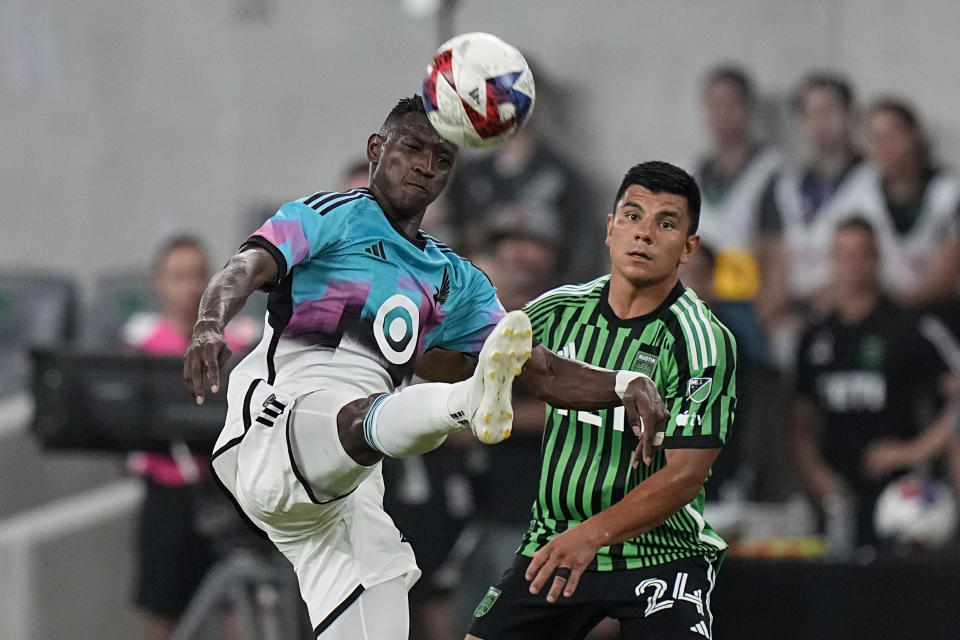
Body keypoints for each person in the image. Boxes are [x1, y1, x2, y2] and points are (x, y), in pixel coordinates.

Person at [183, 95, 669, 639]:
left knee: (386, 588)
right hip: (275, 428)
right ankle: (467, 400)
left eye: (441, 158)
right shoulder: (330, 215)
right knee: (353, 412)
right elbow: (245, 266)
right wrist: (208, 322)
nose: (425, 166)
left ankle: (469, 397)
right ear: (376, 149)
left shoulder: (454, 279)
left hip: (345, 492)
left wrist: (625, 383)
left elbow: (544, 373)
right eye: (411, 148)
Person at [467, 161, 737, 640]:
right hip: (555, 541)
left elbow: (685, 475)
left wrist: (591, 535)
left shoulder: (702, 340)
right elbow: (477, 364)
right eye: (633, 217)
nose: (645, 234)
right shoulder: (558, 310)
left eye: (666, 223)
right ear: (610, 230)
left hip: (659, 552)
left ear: (688, 248)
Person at [789, 217, 955, 557]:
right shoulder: (815, 335)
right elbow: (800, 419)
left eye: (860, 254)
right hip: (836, 493)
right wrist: (815, 474)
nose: (851, 265)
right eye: (842, 254)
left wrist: (913, 451)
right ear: (831, 260)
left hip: (898, 496)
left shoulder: (909, 327)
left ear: (876, 259)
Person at [124, 235, 250, 640]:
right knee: (164, 611)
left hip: (227, 493)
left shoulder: (237, 345)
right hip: (167, 497)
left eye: (198, 275)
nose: (190, 286)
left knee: (239, 609)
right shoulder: (141, 350)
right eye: (178, 276)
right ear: (159, 282)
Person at [755, 73, 866, 335]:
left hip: (854, 317)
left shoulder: (872, 180)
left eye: (828, 111)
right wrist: (775, 304)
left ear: (850, 115)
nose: (819, 122)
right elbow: (770, 255)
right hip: (793, 318)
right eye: (809, 113)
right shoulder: (784, 185)